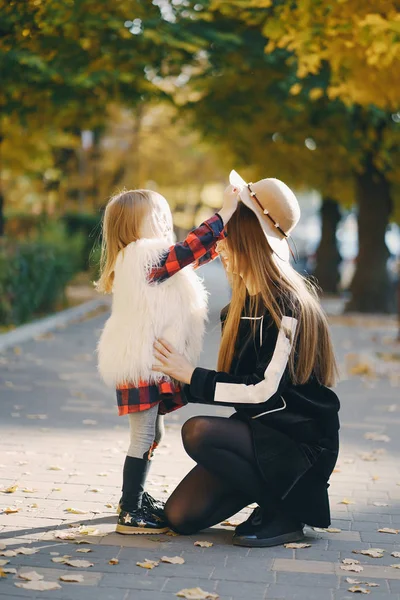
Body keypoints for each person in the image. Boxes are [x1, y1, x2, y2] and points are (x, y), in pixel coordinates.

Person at [153, 171, 341, 548]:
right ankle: (268, 498)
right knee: (180, 517)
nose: (219, 245)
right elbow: (235, 386)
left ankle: (287, 512)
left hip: (299, 448)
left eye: (227, 235)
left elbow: (264, 391)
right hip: (259, 441)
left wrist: (192, 377)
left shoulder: (289, 306)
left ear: (249, 238)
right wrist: (170, 388)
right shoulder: (237, 308)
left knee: (199, 432)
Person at [95, 187, 238, 534]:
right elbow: (187, 251)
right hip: (139, 363)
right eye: (154, 217)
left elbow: (192, 257)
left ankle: (136, 497)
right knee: (143, 436)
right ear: (131, 226)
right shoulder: (142, 257)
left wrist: (223, 237)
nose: (163, 221)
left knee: (151, 432)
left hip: (143, 362)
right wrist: (225, 215)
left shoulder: (146, 260)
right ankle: (130, 509)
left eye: (164, 215)